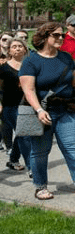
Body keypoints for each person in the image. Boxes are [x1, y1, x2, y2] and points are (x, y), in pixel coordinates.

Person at [19, 22, 75, 201]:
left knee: (72, 146)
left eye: (62, 35)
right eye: (56, 35)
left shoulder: (65, 57)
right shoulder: (31, 60)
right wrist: (39, 110)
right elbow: (29, 90)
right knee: (40, 151)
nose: (60, 38)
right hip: (39, 112)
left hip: (66, 109)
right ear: (44, 37)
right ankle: (40, 186)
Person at [1, 38, 31, 171]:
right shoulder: (3, 68)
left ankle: (13, 160)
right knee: (24, 134)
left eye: (20, 46)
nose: (18, 48)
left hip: (28, 105)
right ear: (9, 51)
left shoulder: (30, 65)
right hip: (10, 106)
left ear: (25, 49)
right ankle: (32, 167)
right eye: (14, 47)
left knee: (21, 134)